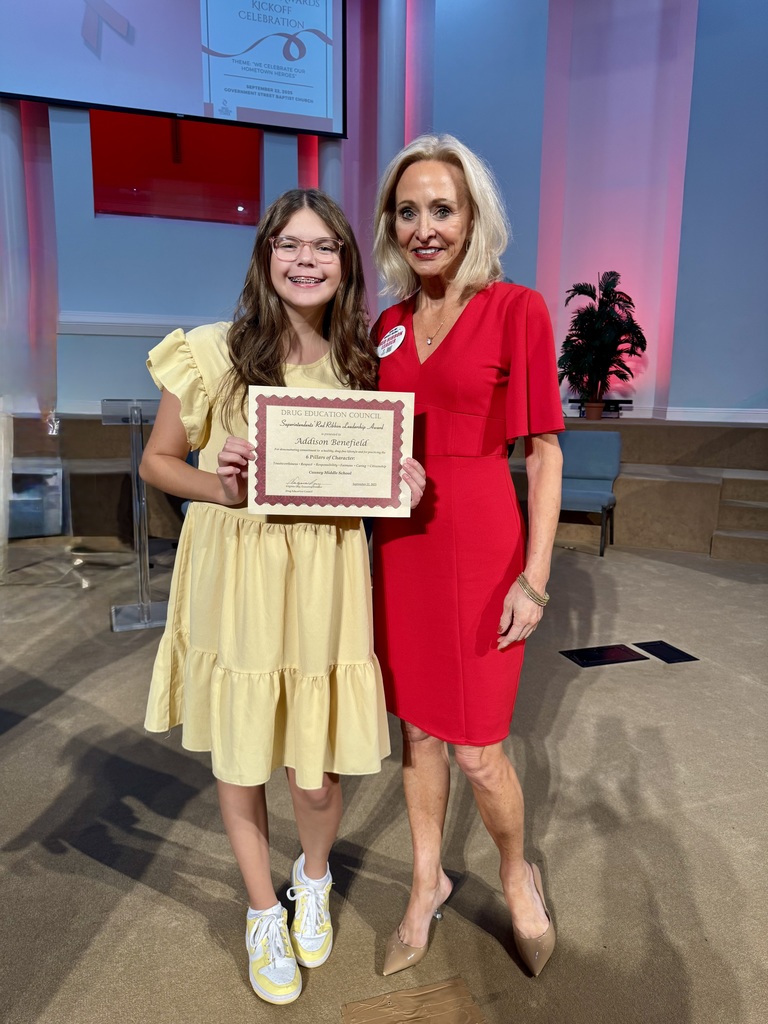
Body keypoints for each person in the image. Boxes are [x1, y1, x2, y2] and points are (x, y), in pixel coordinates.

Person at [139, 188, 425, 1005]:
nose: (307, 261)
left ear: (346, 263)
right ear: (266, 256)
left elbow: (381, 475)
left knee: (312, 771)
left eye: (325, 247)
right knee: (240, 758)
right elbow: (159, 462)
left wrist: (400, 483)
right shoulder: (211, 351)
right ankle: (264, 910)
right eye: (291, 245)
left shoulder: (369, 363)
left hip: (325, 576)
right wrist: (217, 484)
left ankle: (314, 875)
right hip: (238, 567)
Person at [371, 136, 564, 978]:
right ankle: (426, 882)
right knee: (417, 735)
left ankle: (516, 874)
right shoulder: (385, 326)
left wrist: (537, 577)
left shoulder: (516, 308)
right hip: (403, 549)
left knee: (480, 748)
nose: (424, 227)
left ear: (472, 216)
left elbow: (545, 454)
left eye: (441, 209)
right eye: (407, 211)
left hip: (486, 546)